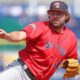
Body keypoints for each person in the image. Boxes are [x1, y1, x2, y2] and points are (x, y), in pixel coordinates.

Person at [0, 1, 78, 80]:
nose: (55, 16)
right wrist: (7, 36)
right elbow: (20, 35)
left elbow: (72, 62)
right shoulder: (40, 27)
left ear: (66, 16)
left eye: (59, 14)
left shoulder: (71, 38)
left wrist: (71, 66)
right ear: (49, 15)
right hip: (20, 71)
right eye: (52, 13)